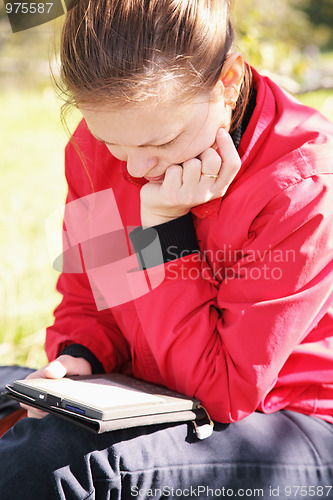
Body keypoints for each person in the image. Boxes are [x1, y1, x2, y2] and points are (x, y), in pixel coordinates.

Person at [1, 0, 333, 497]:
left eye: (163, 141)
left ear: (227, 81)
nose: (135, 169)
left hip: (288, 421)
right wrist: (79, 356)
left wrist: (164, 233)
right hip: (150, 391)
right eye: (115, 143)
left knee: (59, 465)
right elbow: (91, 298)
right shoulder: (96, 152)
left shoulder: (302, 187)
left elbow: (221, 391)